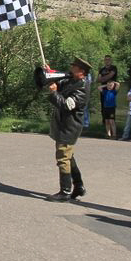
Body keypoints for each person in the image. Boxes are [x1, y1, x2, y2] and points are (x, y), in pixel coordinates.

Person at [46, 57, 91, 202]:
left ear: (81, 71)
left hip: (70, 126)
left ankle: (65, 191)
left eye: (74, 67)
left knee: (63, 157)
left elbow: (66, 105)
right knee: (69, 157)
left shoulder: (82, 88)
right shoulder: (72, 80)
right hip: (64, 124)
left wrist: (54, 93)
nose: (71, 68)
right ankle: (79, 186)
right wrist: (50, 74)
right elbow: (60, 81)